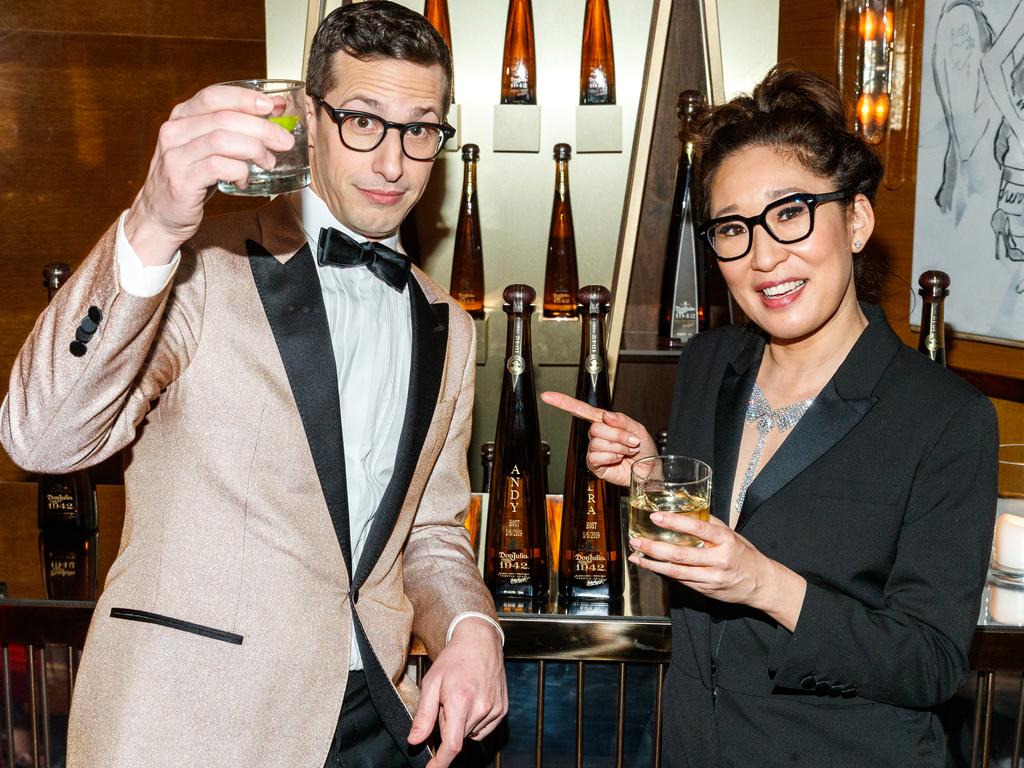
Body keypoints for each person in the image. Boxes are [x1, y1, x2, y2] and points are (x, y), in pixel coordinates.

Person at [0, 3, 506, 767]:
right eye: (363, 121)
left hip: (377, 722)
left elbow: (429, 533)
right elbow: (43, 435)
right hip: (193, 723)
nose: (393, 162)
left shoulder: (451, 325)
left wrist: (472, 630)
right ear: (308, 115)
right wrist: (154, 223)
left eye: (420, 128)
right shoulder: (201, 268)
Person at [543, 66, 998, 767]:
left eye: (790, 213)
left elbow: (931, 663)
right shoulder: (707, 365)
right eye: (733, 229)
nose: (763, 256)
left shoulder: (944, 418)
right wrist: (653, 475)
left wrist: (768, 585)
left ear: (856, 219)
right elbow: (712, 549)